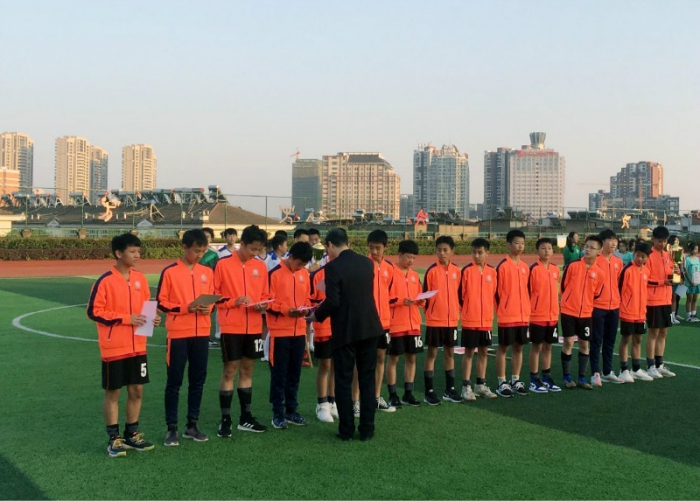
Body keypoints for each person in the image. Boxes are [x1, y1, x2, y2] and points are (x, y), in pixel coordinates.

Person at [87, 233, 161, 457]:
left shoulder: (141, 279)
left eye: (139, 251)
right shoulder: (105, 281)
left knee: (137, 390)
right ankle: (114, 439)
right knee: (114, 392)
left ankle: (132, 434)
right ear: (119, 253)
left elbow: (146, 307)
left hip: (138, 346)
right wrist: (127, 318)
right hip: (114, 347)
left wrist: (152, 318)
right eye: (132, 251)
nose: (137, 255)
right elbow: (94, 312)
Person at [310, 228, 383, 442]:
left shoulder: (333, 267)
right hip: (370, 327)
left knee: (343, 380)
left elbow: (333, 301)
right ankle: (367, 429)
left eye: (327, 248)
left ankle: (347, 430)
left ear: (330, 245)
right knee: (367, 379)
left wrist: (316, 316)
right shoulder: (367, 263)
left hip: (346, 329)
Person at [157, 229, 214, 446]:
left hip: (202, 333)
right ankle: (171, 428)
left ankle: (192, 425)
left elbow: (212, 298)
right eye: (196, 251)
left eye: (203, 251)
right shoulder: (170, 272)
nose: (200, 255)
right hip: (178, 334)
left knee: (197, 381)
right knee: (174, 382)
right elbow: (161, 302)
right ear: (184, 248)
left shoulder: (207, 272)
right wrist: (186, 308)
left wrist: (209, 308)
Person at [213, 225, 270, 437]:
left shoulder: (261, 267)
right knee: (230, 371)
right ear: (242, 244)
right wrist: (234, 302)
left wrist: (263, 304)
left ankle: (245, 418)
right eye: (252, 249)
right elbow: (214, 295)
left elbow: (265, 294)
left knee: (248, 371)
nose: (255, 253)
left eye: (259, 249)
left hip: (253, 326)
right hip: (231, 326)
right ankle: (225, 419)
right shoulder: (223, 264)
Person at [267, 242, 313, 429]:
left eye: (304, 265)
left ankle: (291, 410)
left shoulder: (304, 274)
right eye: (299, 264)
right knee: (279, 375)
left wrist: (306, 309)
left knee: (294, 374)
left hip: (299, 331)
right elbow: (268, 303)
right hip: (280, 332)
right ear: (291, 257)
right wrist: (287, 310)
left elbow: (307, 298)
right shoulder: (274, 274)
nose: (301, 267)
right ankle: (277, 413)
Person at [559, 235, 605, 389]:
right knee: (568, 342)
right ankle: (567, 377)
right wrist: (570, 299)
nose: (588, 250)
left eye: (592, 247)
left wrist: (585, 302)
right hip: (568, 311)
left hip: (586, 313)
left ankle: (581, 378)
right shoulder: (573, 266)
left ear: (599, 252)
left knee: (584, 344)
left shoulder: (599, 273)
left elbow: (596, 294)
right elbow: (564, 286)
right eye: (586, 246)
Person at [422, 236, 462, 404]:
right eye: (439, 250)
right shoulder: (431, 271)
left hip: (451, 321)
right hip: (435, 321)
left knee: (449, 353)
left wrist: (455, 312)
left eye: (445, 250)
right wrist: (431, 314)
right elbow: (425, 296)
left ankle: (449, 390)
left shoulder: (457, 271)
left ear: (452, 251)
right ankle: (429, 392)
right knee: (431, 354)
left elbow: (460, 294)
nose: (442, 253)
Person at [386, 240, 425, 408]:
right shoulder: (390, 273)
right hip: (396, 324)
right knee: (393, 359)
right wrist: (401, 301)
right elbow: (384, 298)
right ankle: (392, 394)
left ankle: (408, 393)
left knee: (411, 358)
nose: (411, 261)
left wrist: (421, 301)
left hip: (413, 324)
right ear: (400, 254)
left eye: (414, 258)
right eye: (408, 257)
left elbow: (419, 296)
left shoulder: (415, 275)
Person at [458, 238, 498, 401]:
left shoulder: (492, 272)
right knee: (469, 352)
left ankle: (480, 385)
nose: (476, 255)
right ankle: (466, 387)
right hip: (470, 320)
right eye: (474, 252)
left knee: (483, 352)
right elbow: (460, 295)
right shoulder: (466, 271)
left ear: (487, 253)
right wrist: (467, 311)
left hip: (486, 320)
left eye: (480, 252)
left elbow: (494, 294)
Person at [495, 230, 531, 397]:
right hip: (507, 315)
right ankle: (502, 382)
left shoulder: (525, 267)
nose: (520, 246)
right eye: (517, 243)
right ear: (508, 245)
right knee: (503, 348)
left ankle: (515, 380)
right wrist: (503, 308)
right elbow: (496, 292)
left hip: (522, 316)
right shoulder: (503, 266)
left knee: (518, 348)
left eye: (522, 243)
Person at [589, 229, 624, 386]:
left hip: (614, 306)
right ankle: (595, 372)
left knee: (610, 340)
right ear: (602, 242)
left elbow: (618, 283)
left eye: (615, 240)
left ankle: (608, 371)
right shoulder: (594, 260)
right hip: (597, 306)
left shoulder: (618, 262)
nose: (613, 243)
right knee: (596, 341)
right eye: (610, 240)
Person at [366, 230, 396, 412]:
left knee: (380, 358)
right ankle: (358, 399)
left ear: (385, 247)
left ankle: (376, 396)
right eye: (371, 248)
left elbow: (389, 293)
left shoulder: (389, 268)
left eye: (378, 248)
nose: (374, 251)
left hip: (384, 322)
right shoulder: (363, 265)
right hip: (366, 321)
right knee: (362, 361)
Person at [528, 238, 562, 393]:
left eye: (549, 248)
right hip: (537, 315)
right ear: (537, 251)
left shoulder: (555, 269)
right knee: (537, 347)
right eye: (543, 248)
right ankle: (534, 379)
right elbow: (528, 292)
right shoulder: (534, 269)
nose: (547, 251)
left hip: (552, 315)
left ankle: (546, 377)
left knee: (548, 347)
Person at [617, 241, 653, 382]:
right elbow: (619, 290)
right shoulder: (626, 270)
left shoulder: (646, 271)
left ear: (647, 257)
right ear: (634, 254)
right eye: (638, 255)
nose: (640, 259)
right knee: (626, 339)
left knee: (638, 339)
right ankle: (623, 369)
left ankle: (636, 369)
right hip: (627, 311)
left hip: (641, 313)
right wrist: (621, 307)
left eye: (643, 256)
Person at [645, 226, 678, 378]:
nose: (662, 244)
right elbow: (645, 279)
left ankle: (659, 364)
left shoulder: (669, 255)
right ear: (653, 239)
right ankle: (650, 365)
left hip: (666, 299)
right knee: (653, 332)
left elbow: (672, 274)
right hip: (653, 300)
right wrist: (662, 282)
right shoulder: (648, 256)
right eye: (659, 241)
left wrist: (676, 274)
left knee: (663, 332)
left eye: (664, 241)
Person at [309, 261, 338, 422]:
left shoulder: (344, 271)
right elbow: (310, 301)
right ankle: (322, 404)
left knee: (336, 365)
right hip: (323, 325)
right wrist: (319, 305)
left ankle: (333, 402)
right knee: (325, 364)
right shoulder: (318, 275)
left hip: (339, 326)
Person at [684, 242, 700, 322]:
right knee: (689, 299)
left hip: (697, 282)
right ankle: (689, 316)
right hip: (689, 283)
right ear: (690, 249)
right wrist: (690, 281)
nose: (696, 251)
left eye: (697, 249)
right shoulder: (687, 259)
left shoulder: (697, 259)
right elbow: (685, 271)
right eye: (695, 249)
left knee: (695, 299)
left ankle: (694, 315)